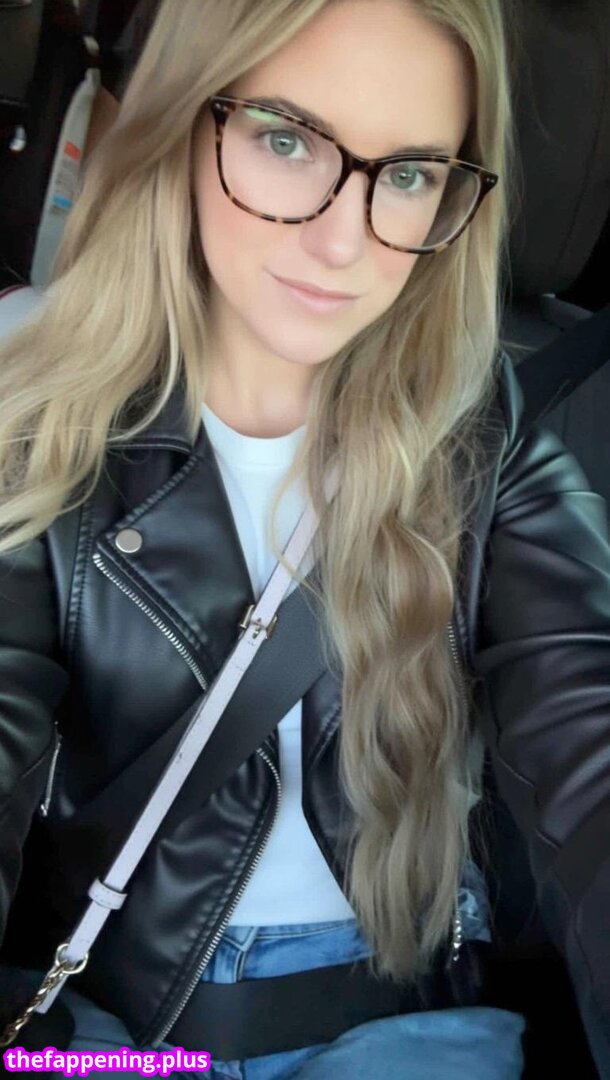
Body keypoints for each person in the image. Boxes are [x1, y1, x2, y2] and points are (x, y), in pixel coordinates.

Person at [0, 1, 609, 1078]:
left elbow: (588, 735)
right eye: (287, 141)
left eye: (409, 173)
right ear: (183, 125)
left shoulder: (486, 442)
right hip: (103, 1031)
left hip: (403, 1025)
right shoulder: (36, 426)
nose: (343, 241)